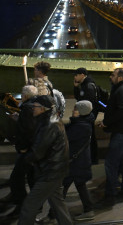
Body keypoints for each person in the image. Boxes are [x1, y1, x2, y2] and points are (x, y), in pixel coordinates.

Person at [18, 95, 72, 225]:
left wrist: (26, 156)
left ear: (43, 109)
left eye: (35, 107)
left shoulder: (49, 125)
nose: (33, 109)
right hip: (56, 169)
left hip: (50, 171)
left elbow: (38, 151)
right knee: (58, 204)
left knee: (29, 205)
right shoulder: (51, 121)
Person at [97, 68, 123, 208]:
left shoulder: (122, 90)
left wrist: (107, 122)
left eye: (113, 75)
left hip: (122, 132)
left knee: (111, 163)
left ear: (120, 78)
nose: (110, 77)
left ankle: (110, 196)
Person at [0, 86, 38, 220]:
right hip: (33, 150)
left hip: (26, 150)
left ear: (25, 96)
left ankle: (21, 205)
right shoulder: (34, 106)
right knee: (31, 177)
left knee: (16, 178)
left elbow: (27, 130)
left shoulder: (27, 109)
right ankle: (33, 204)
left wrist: (22, 147)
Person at [63, 101, 95, 221]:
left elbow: (66, 136)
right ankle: (89, 210)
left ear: (81, 112)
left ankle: (53, 215)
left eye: (75, 110)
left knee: (63, 187)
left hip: (76, 163)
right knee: (79, 185)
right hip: (78, 162)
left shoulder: (81, 126)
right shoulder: (81, 123)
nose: (72, 111)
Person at [73, 68, 99, 164]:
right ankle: (91, 158)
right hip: (87, 114)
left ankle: (93, 159)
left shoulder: (88, 86)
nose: (75, 77)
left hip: (88, 115)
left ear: (82, 75)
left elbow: (87, 102)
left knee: (90, 137)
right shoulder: (85, 84)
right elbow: (79, 98)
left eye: (76, 75)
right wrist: (76, 87)